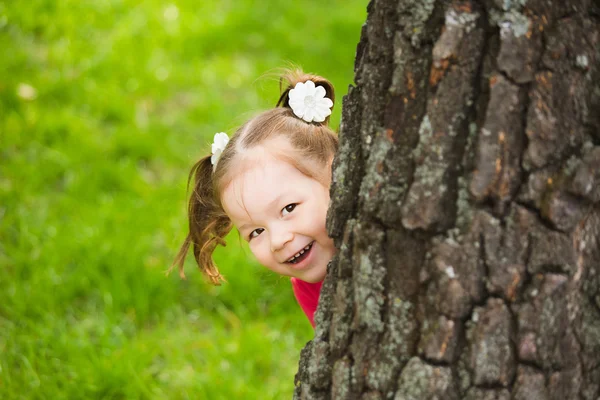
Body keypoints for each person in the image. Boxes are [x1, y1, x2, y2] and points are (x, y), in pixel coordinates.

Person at [171, 69, 339, 327]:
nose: (279, 240)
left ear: (336, 174)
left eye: (289, 208)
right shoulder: (307, 287)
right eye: (256, 232)